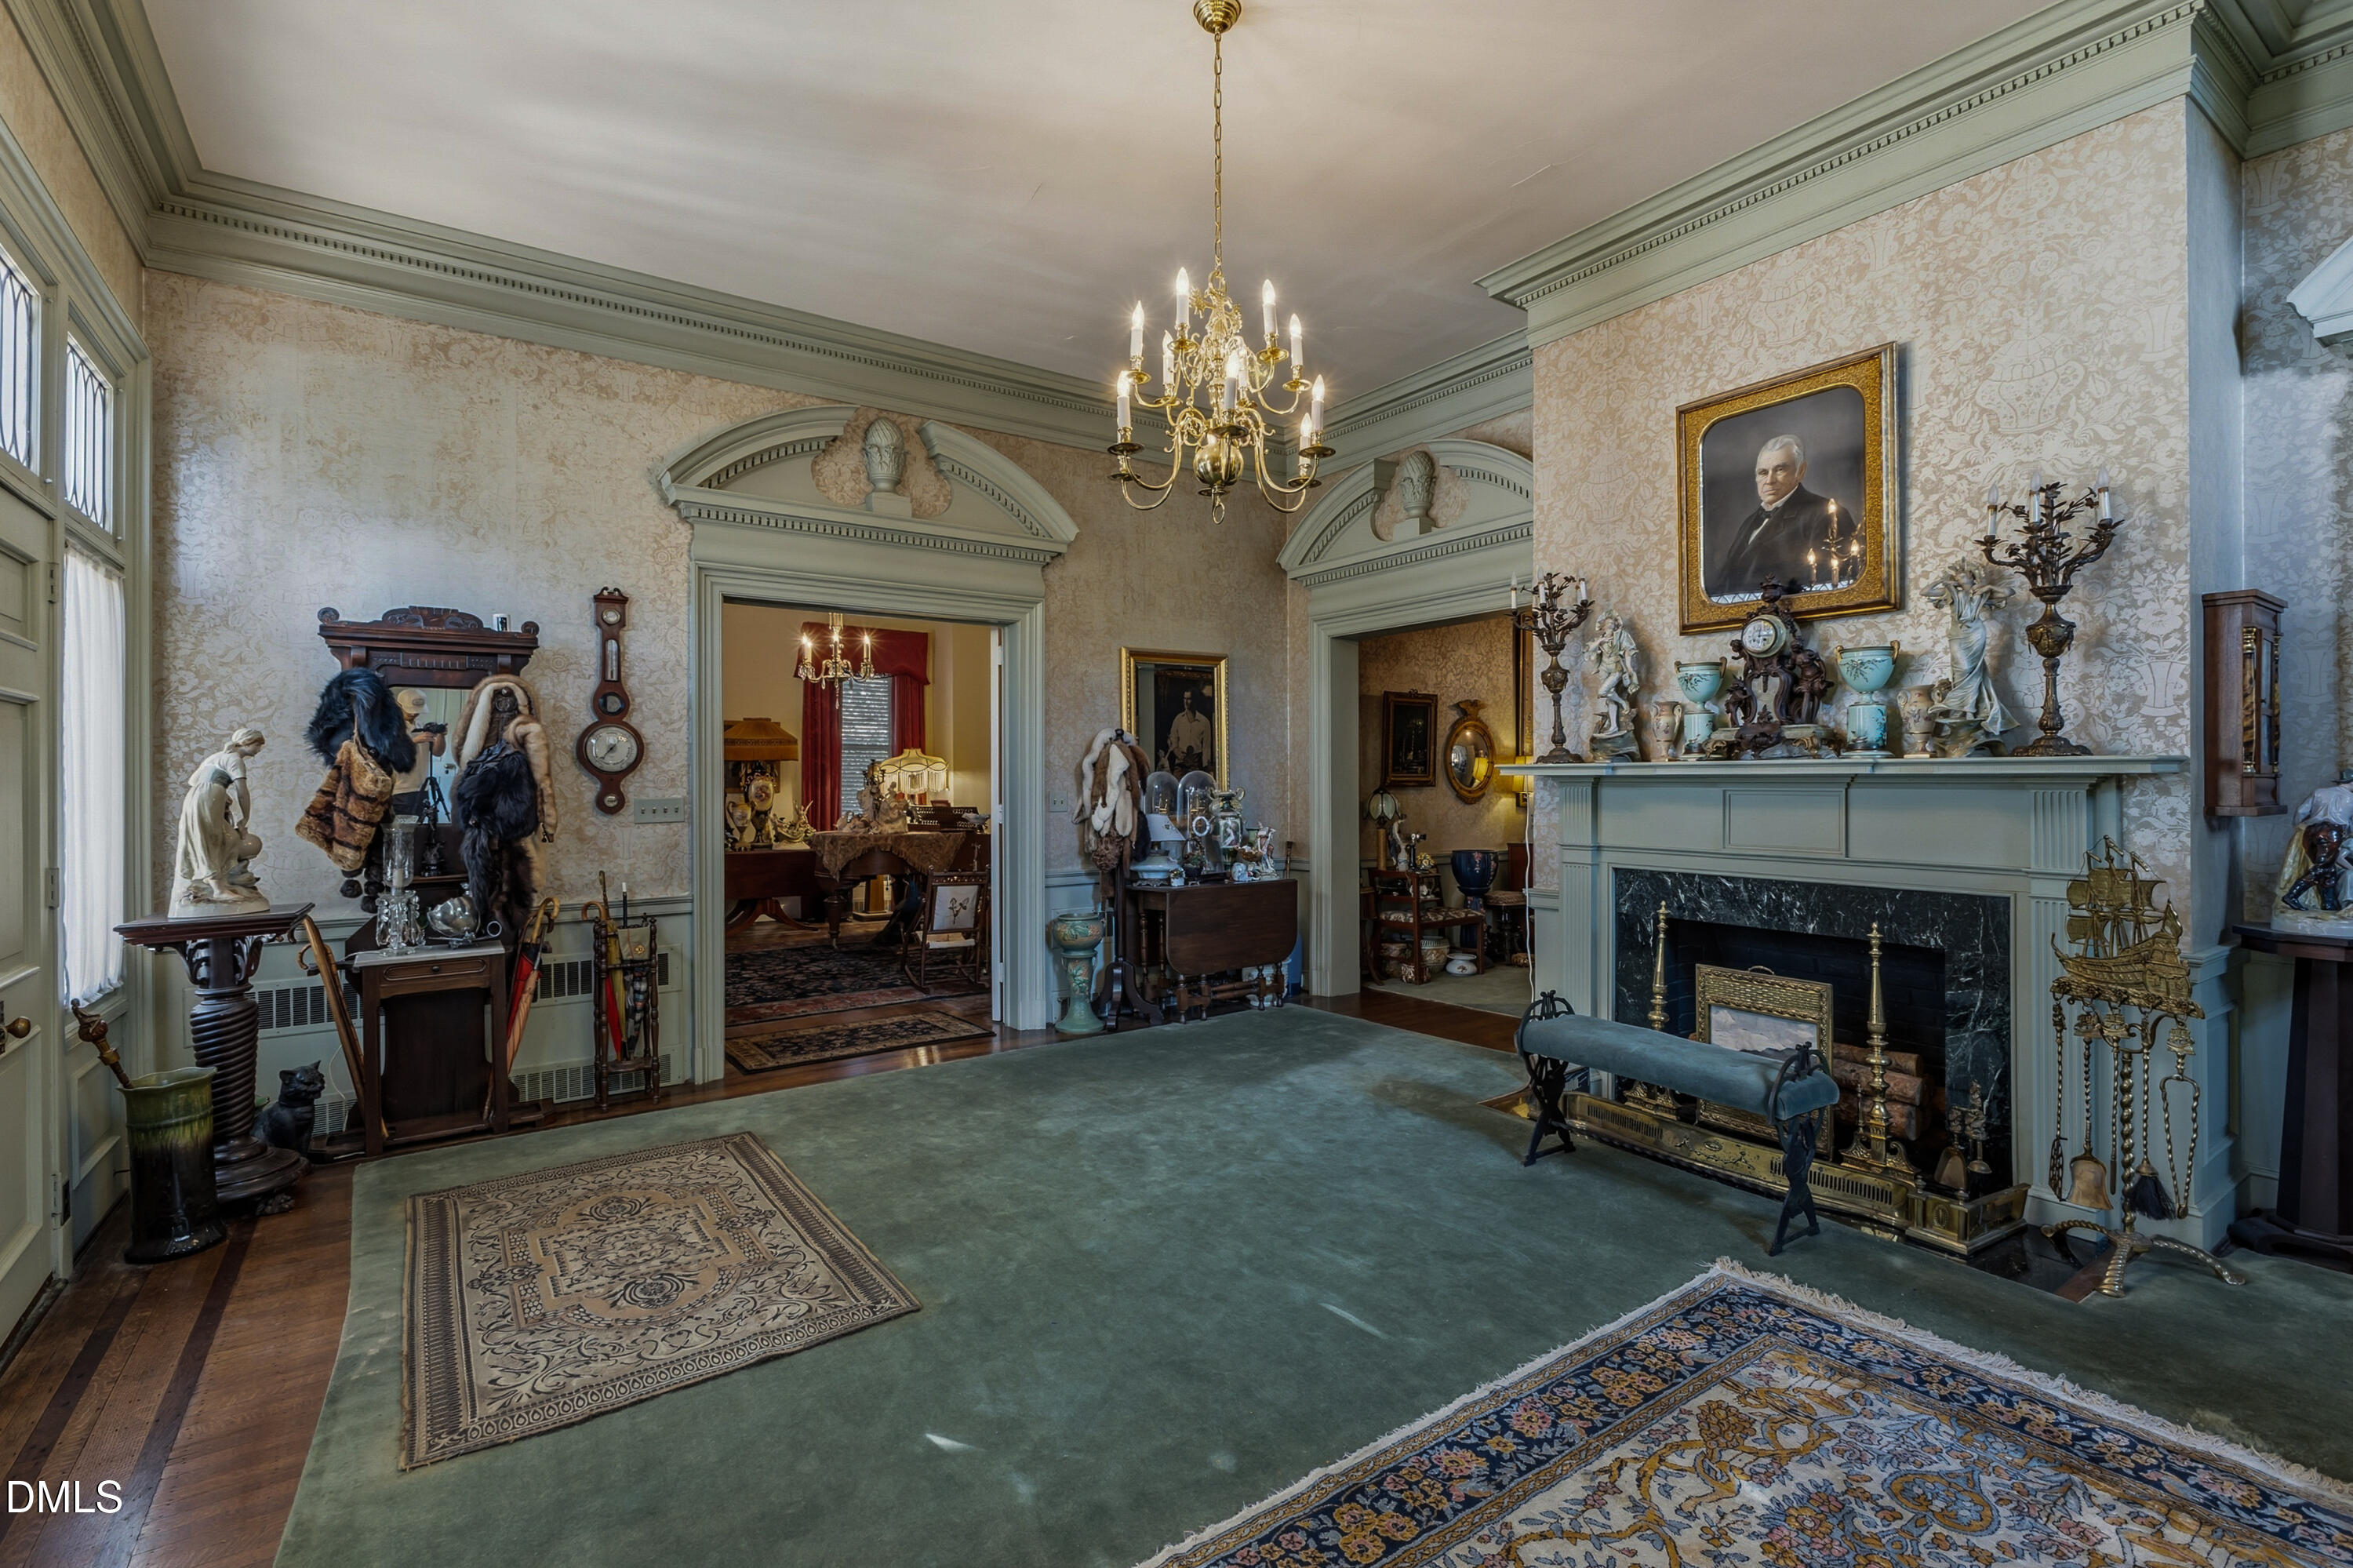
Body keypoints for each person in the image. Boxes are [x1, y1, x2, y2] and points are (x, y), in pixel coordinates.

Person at [1707, 435, 1848, 600]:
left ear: (1800, 471)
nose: (1769, 480)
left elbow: (1828, 585)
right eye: (1763, 472)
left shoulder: (1825, 514)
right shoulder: (1749, 522)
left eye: (1780, 469)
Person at [1162, 687, 1213, 773]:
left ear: (1195, 700)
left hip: (1196, 765)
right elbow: (1173, 738)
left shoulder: (1204, 722)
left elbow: (1206, 747)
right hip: (1180, 764)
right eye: (1184, 699)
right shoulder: (1178, 719)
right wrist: (1176, 750)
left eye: (1189, 699)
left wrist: (1205, 767)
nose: (1186, 702)